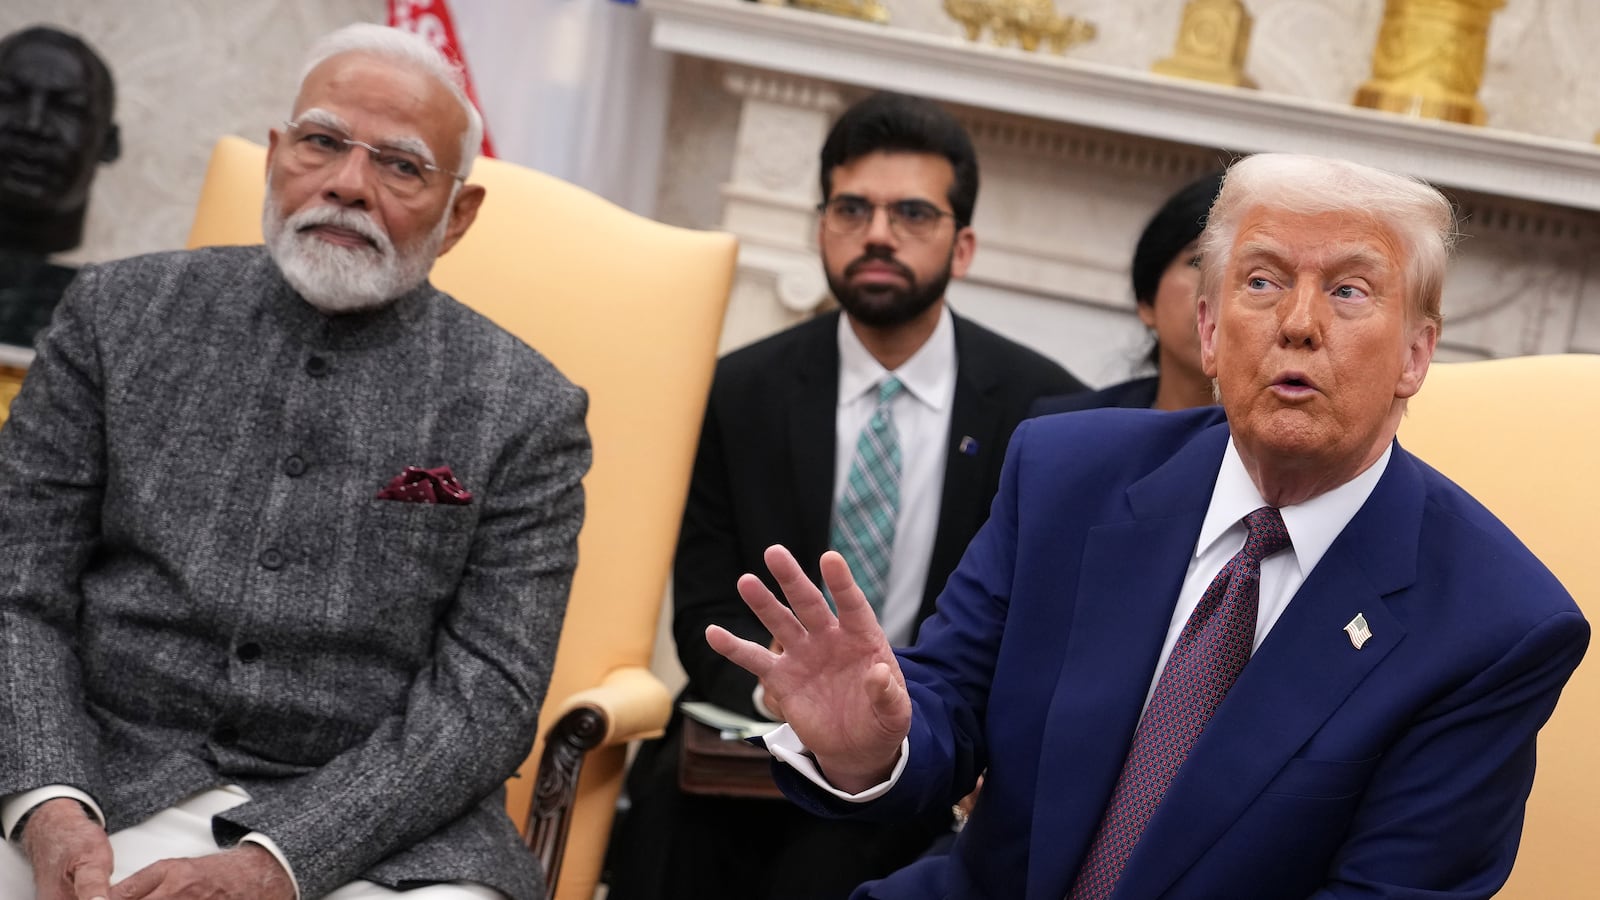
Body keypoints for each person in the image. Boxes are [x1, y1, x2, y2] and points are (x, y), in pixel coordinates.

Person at [708, 153, 1589, 899]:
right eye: (1262, 281)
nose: (1298, 324)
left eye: (1351, 291)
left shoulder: (1495, 627)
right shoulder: (1066, 473)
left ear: (1415, 354)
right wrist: (879, 747)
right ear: (1207, 330)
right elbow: (944, 708)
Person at [0, 23, 588, 900]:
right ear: (278, 157)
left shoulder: (527, 409)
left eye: (401, 165)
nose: (348, 185)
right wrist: (49, 801)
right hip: (96, 771)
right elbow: (16, 586)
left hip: (381, 835)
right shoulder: (115, 317)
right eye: (321, 142)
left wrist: (277, 862)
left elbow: (488, 695)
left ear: (458, 213)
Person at [606, 91, 1084, 900]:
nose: (877, 234)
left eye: (912, 214)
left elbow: (1037, 631)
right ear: (820, 225)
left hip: (922, 758)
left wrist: (885, 725)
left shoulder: (1048, 412)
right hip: (747, 735)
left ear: (962, 246)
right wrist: (791, 696)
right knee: (663, 834)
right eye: (851, 208)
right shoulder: (740, 388)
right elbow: (703, 608)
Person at [1034, 170, 1222, 416]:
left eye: (1255, 277)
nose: (1219, 285)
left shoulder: (1283, 449)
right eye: (1197, 262)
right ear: (1146, 301)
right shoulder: (1064, 428)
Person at [0, 25, 120, 350]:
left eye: (67, 109)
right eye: (7, 98)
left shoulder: (114, 321)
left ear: (109, 144)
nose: (33, 125)